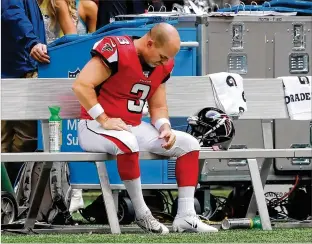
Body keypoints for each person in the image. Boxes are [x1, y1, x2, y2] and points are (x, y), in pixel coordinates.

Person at [73, 23, 218, 233]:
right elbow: (81, 85)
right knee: (128, 141)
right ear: (150, 43)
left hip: (131, 125)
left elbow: (158, 106)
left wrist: (164, 127)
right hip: (94, 126)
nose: (165, 62)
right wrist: (104, 119)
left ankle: (186, 215)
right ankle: (142, 214)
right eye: (162, 56)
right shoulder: (116, 49)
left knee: (189, 143)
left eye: (168, 58)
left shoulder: (163, 64)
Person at [1, 0, 50, 184]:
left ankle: (7, 199)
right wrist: (32, 43)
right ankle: (8, 195)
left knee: (10, 139)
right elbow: (12, 14)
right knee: (24, 138)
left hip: (15, 71)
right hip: (16, 72)